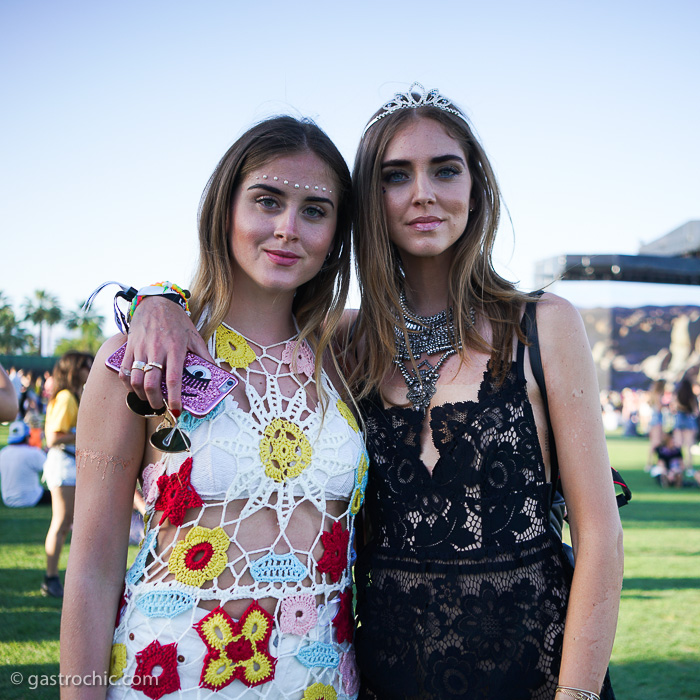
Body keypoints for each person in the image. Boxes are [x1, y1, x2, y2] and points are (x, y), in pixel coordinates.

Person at [119, 84, 624, 700]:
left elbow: (599, 533)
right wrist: (159, 297)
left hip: (537, 680)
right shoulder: (343, 344)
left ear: (476, 189)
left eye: (446, 170)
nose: (423, 193)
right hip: (382, 683)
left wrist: (577, 693)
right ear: (367, 202)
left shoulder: (542, 325)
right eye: (395, 176)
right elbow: (244, 311)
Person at [61, 116, 364, 700]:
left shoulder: (349, 355)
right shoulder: (138, 359)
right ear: (224, 209)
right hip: (170, 677)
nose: (287, 229)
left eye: (315, 210)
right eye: (267, 201)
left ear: (337, 233)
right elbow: (94, 569)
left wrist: (153, 295)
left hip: (321, 681)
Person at [42, 351, 93, 598]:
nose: (90, 369)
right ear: (74, 368)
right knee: (61, 523)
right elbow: (53, 437)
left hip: (69, 463)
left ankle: (58, 579)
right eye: (86, 365)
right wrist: (87, 431)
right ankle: (50, 578)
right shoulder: (65, 398)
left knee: (67, 524)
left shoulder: (73, 396)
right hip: (63, 464)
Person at [0, 420, 48, 507]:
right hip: (32, 498)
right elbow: (50, 468)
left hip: (7, 499)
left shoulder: (2, 453)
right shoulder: (33, 452)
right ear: (27, 437)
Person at [672, 369, 698, 475]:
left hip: (679, 417)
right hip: (688, 418)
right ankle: (689, 466)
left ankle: (678, 466)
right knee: (689, 445)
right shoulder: (692, 396)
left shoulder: (677, 393)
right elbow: (696, 410)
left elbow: (674, 406)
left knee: (679, 444)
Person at [645, 379, 666, 471]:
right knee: (656, 442)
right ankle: (650, 463)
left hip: (654, 419)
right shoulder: (658, 395)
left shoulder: (653, 394)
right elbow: (659, 407)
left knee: (654, 442)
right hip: (657, 420)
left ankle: (652, 462)